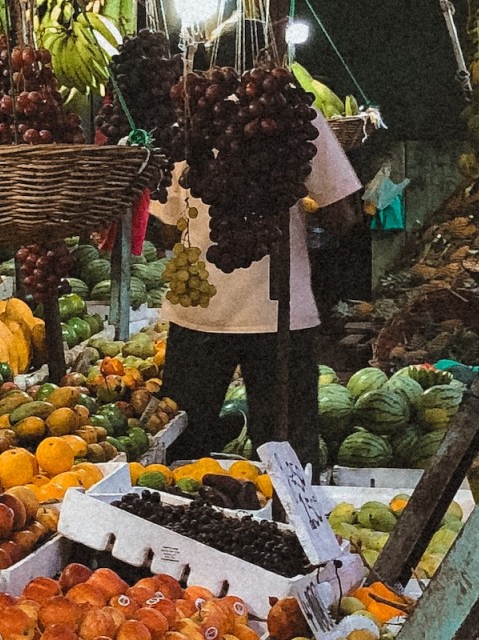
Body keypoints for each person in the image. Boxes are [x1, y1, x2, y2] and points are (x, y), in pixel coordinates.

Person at [155, 28, 363, 466]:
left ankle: (178, 528)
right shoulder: (292, 116)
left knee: (180, 455)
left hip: (198, 311)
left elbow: (167, 227)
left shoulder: (190, 121)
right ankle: (289, 532)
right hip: (281, 311)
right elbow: (343, 215)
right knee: (288, 456)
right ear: (268, 65)